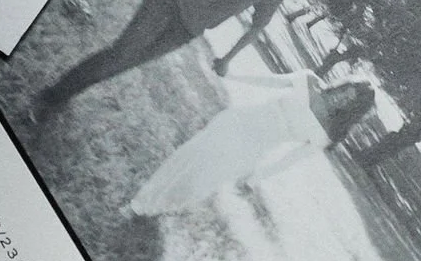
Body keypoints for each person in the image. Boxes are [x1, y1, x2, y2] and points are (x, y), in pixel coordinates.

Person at [34, 0, 319, 117]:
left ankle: (65, 94)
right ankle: (51, 98)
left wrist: (227, 58)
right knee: (120, 54)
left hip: (186, 29)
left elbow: (257, 28)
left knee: (125, 62)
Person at [129, 68, 378, 217]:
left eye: (350, 102)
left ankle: (157, 207)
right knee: (192, 155)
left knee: (203, 181)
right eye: (347, 91)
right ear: (344, 84)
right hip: (240, 121)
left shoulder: (327, 133)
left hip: (253, 149)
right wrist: (232, 74)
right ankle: (140, 203)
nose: (343, 99)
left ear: (352, 111)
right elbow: (271, 80)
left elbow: (289, 159)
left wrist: (255, 178)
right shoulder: (309, 80)